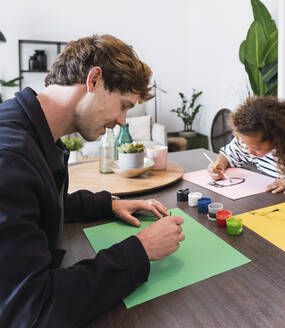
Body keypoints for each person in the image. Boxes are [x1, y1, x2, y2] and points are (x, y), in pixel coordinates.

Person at [0, 34, 185, 327]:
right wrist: (140, 250)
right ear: (94, 80)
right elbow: (35, 311)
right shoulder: (9, 157)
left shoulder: (32, 133)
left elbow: (41, 204)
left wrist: (109, 204)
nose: (123, 121)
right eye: (123, 105)